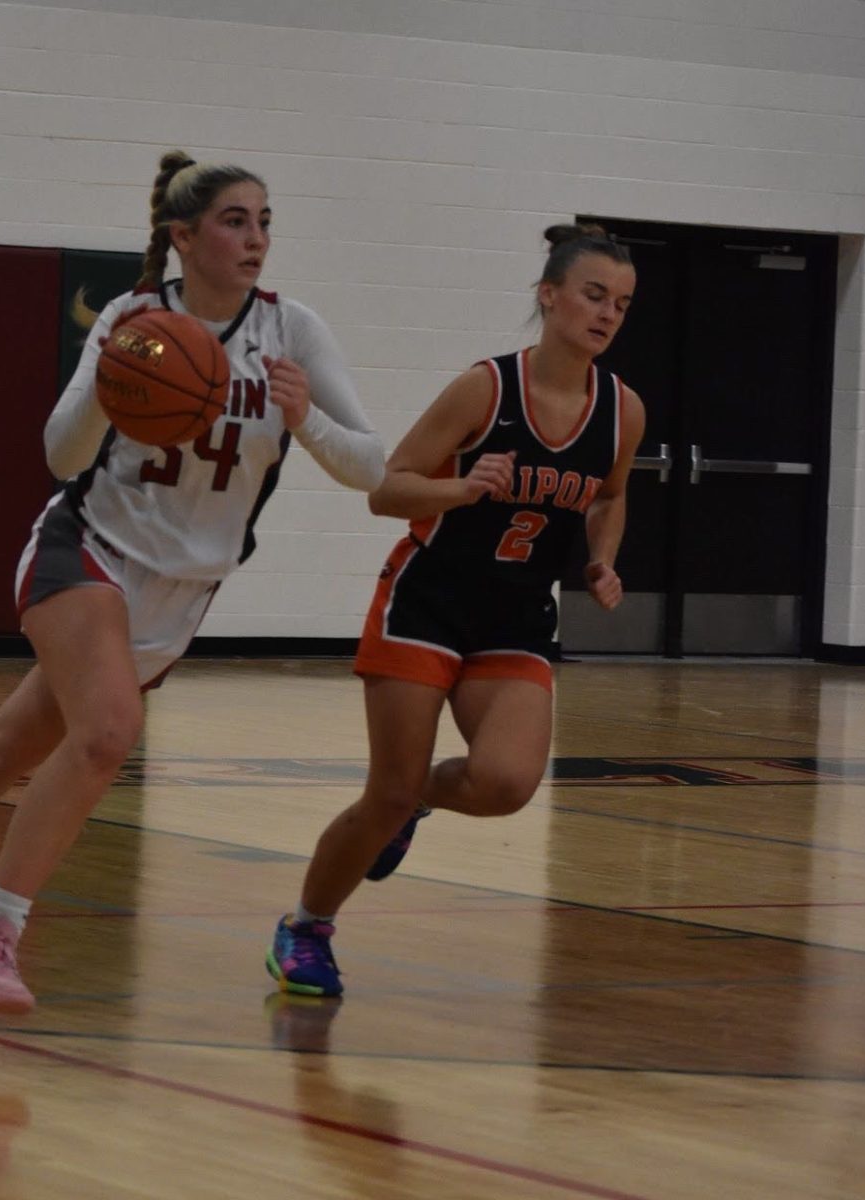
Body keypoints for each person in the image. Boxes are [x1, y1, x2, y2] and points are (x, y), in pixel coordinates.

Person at [0, 149, 386, 1013]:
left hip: (183, 592)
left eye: (265, 221)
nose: (256, 239)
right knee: (105, 734)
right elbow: (61, 454)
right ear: (184, 236)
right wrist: (118, 383)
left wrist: (306, 417)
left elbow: (372, 469)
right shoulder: (133, 317)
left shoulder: (292, 332)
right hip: (88, 548)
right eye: (236, 221)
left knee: (14, 750)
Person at [265, 223, 644, 997]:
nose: (607, 314)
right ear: (550, 296)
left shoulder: (623, 410)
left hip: (516, 618)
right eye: (594, 295)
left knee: (507, 783)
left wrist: (603, 557)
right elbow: (388, 489)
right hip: (428, 602)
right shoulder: (485, 389)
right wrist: (461, 488)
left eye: (622, 304)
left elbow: (610, 496)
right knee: (387, 789)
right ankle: (304, 928)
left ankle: (415, 804)